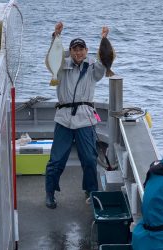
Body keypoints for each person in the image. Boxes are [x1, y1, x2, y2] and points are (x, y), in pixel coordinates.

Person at [45, 22, 109, 209]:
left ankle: (90, 190)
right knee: (56, 160)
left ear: (86, 51)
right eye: (74, 49)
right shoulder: (60, 66)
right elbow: (51, 59)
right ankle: (50, 193)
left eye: (81, 49)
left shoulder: (92, 68)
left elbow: (104, 64)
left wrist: (104, 39)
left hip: (85, 118)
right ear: (70, 51)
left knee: (89, 158)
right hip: (64, 118)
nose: (78, 53)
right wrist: (55, 37)